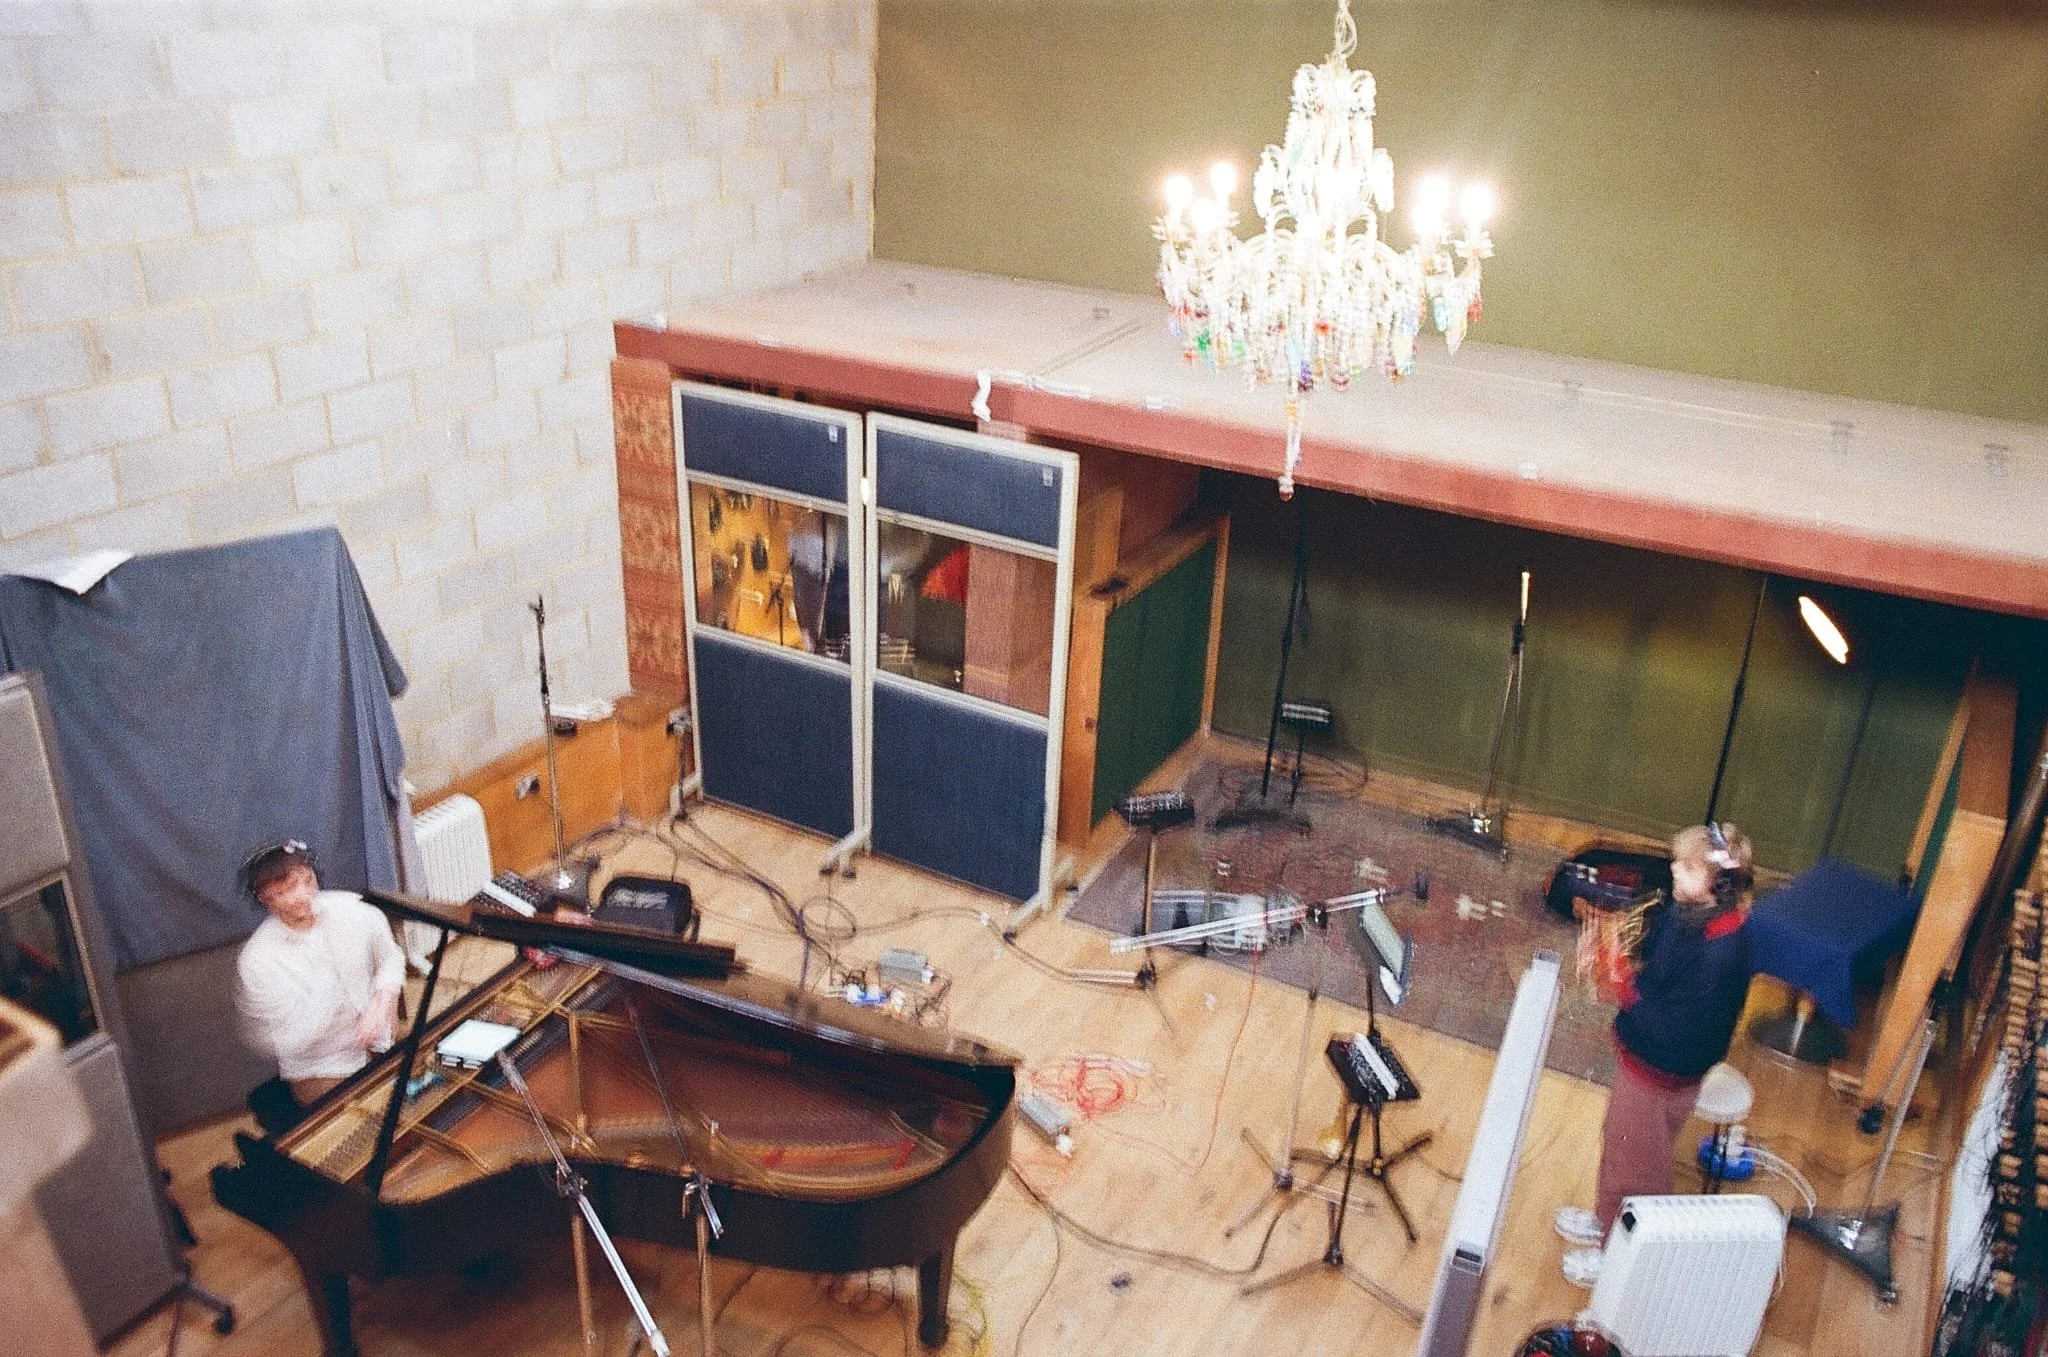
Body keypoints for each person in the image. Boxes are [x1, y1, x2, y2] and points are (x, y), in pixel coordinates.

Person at [1553, 822, 1756, 1287]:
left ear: (1718, 885)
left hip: (1661, 1069)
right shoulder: (1691, 915)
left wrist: (1621, 989)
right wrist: (1613, 956)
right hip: (1651, 1061)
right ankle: (1607, 1218)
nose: (1673, 870)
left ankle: (1618, 1257)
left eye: (1686, 867)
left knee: (1637, 1171)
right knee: (1621, 1143)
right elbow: (1658, 969)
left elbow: (1678, 1028)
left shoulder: (1721, 953)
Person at [235, 839, 404, 1106]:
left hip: (382, 1041)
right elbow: (282, 1038)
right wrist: (328, 985)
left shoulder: (351, 907)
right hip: (323, 1069)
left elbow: (390, 957)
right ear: (265, 898)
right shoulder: (257, 958)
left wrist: (382, 1003)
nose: (302, 895)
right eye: (285, 891)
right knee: (364, 1127)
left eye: (306, 880)